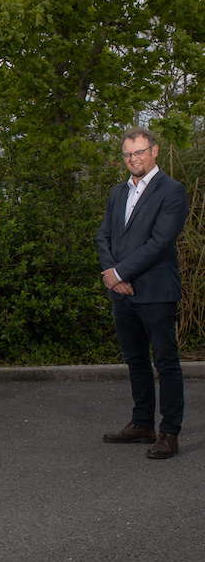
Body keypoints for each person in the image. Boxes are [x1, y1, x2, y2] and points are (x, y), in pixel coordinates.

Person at [98, 127, 188, 460]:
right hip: (123, 293)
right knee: (135, 360)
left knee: (166, 363)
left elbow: (160, 242)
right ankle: (142, 423)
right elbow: (103, 237)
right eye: (128, 154)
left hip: (155, 290)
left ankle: (169, 432)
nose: (133, 159)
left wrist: (120, 273)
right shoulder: (117, 192)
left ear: (154, 151)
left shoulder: (172, 191)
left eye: (139, 152)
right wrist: (113, 278)